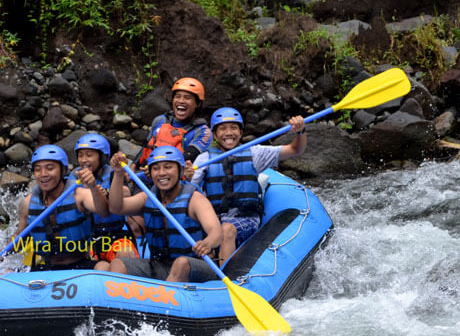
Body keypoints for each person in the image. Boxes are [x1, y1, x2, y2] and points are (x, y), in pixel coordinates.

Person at [191, 107, 307, 266]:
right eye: (223, 128)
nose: (228, 133)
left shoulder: (255, 153)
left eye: (233, 128)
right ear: (215, 134)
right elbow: (189, 190)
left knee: (227, 230)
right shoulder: (204, 159)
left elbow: (295, 149)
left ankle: (224, 281)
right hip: (214, 219)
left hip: (245, 218)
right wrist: (187, 175)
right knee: (206, 241)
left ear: (241, 132)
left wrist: (300, 132)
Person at [95, 146, 222, 282]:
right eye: (156, 168)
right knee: (118, 264)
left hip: (195, 267)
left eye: (168, 167)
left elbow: (216, 232)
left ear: (180, 170)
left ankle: (167, 299)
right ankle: (119, 303)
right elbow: (116, 207)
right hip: (160, 265)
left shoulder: (195, 199)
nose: (161, 173)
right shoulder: (148, 198)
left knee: (181, 263)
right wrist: (118, 173)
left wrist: (207, 243)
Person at [0, 144, 109, 270]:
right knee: (7, 273)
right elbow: (21, 238)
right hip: (46, 268)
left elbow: (103, 211)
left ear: (63, 170)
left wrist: (93, 187)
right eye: (38, 169)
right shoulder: (28, 203)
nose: (43, 174)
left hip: (80, 265)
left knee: (104, 267)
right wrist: (0, 253)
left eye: (50, 168)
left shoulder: (80, 194)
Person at [71, 133, 141, 262]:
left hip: (116, 234)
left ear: (103, 157)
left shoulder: (114, 173)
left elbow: (126, 192)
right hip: (89, 237)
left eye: (89, 155)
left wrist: (108, 193)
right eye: (80, 155)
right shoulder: (74, 177)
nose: (84, 160)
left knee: (126, 255)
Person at [135, 77, 212, 175]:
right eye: (178, 96)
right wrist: (133, 167)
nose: (181, 101)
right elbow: (146, 147)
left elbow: (186, 158)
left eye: (187, 98)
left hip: (173, 179)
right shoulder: (160, 120)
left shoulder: (203, 132)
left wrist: (155, 169)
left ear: (198, 103)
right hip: (146, 173)